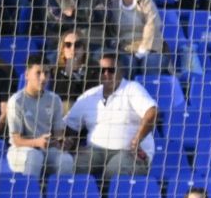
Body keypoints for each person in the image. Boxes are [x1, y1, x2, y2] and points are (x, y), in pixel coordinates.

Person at [62, 52, 156, 180]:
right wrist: (71, 143)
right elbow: (69, 126)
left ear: (120, 71)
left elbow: (152, 112)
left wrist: (138, 138)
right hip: (95, 151)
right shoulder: (89, 96)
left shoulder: (133, 88)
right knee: (70, 166)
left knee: (113, 174)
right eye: (102, 70)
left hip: (129, 152)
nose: (106, 74)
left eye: (111, 70)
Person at [4, 54, 72, 176]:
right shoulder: (16, 101)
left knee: (66, 160)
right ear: (27, 75)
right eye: (38, 73)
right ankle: (29, 193)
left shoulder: (54, 99)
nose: (43, 78)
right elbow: (16, 140)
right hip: (20, 150)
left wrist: (62, 142)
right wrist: (37, 142)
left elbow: (58, 134)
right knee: (34, 157)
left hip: (45, 149)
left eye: (46, 73)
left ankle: (57, 194)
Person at [111, 0, 170, 75]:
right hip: (125, 50)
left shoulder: (145, 1)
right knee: (126, 65)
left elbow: (153, 24)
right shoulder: (112, 5)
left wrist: (143, 49)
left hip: (151, 49)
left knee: (150, 64)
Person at [50, 30, 95, 106]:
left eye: (77, 45)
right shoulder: (54, 72)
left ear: (84, 49)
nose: (73, 48)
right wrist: (68, 73)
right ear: (62, 49)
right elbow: (62, 97)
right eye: (68, 45)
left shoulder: (93, 71)